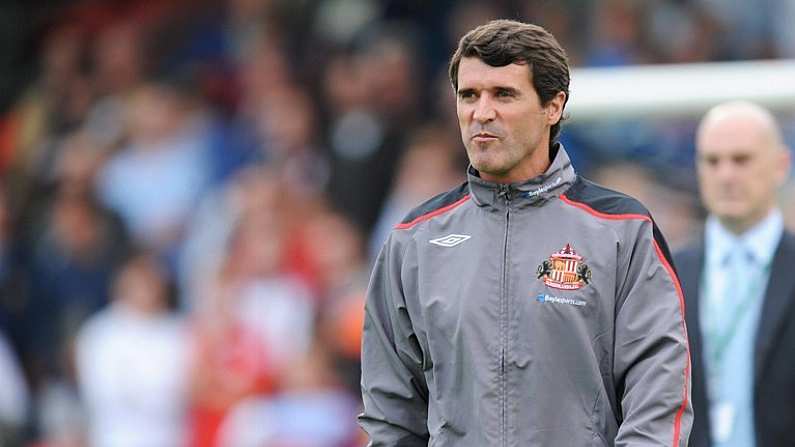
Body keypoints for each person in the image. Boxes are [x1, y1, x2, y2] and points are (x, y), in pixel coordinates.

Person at [359, 19, 692, 446]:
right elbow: (390, 417)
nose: (482, 113)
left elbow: (659, 401)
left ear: (553, 106)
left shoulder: (622, 231)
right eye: (469, 95)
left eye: (504, 94)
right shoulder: (414, 241)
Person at [674, 101, 795, 447]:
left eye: (741, 159)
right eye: (712, 161)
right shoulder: (666, 272)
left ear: (780, 166)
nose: (726, 174)